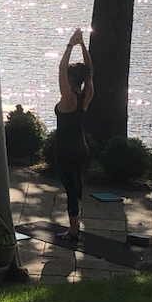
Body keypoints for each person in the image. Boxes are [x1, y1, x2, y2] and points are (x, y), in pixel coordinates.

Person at [55, 28, 94, 241]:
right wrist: (83, 46)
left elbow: (61, 68)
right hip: (81, 147)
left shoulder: (68, 97)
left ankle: (73, 230)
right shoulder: (86, 96)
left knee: (70, 188)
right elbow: (90, 70)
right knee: (77, 183)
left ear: (71, 78)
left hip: (66, 148)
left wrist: (71, 45)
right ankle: (75, 224)